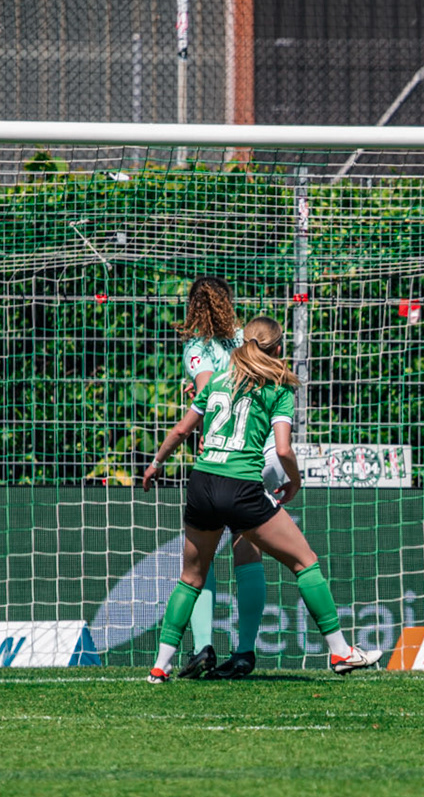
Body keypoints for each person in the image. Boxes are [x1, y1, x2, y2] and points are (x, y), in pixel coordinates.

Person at [139, 316, 381, 681]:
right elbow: (282, 449)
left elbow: (181, 430)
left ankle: (160, 666)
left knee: (190, 578)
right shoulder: (279, 387)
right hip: (242, 488)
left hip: (202, 483)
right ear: (279, 348)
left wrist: (155, 464)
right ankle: (341, 652)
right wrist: (295, 481)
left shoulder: (216, 380)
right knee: (305, 562)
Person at [174, 276, 276, 680]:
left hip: (225, 458)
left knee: (201, 558)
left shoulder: (197, 348)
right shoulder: (245, 338)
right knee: (248, 552)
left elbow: (205, 392)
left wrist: (203, 431)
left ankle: (203, 647)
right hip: (263, 450)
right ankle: (246, 650)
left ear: (192, 308)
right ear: (228, 303)